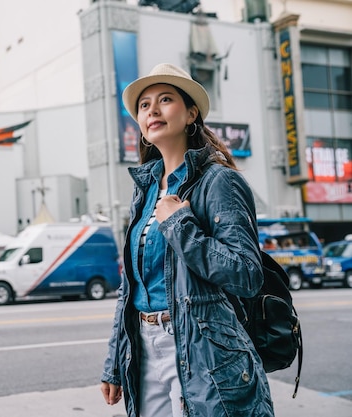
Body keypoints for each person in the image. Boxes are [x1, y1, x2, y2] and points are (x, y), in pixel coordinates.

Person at [100, 63, 273, 416]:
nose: (153, 110)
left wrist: (179, 223)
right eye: (144, 105)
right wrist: (115, 362)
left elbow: (246, 274)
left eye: (166, 99)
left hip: (203, 348)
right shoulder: (145, 191)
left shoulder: (218, 182)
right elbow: (128, 287)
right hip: (144, 348)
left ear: (191, 113)